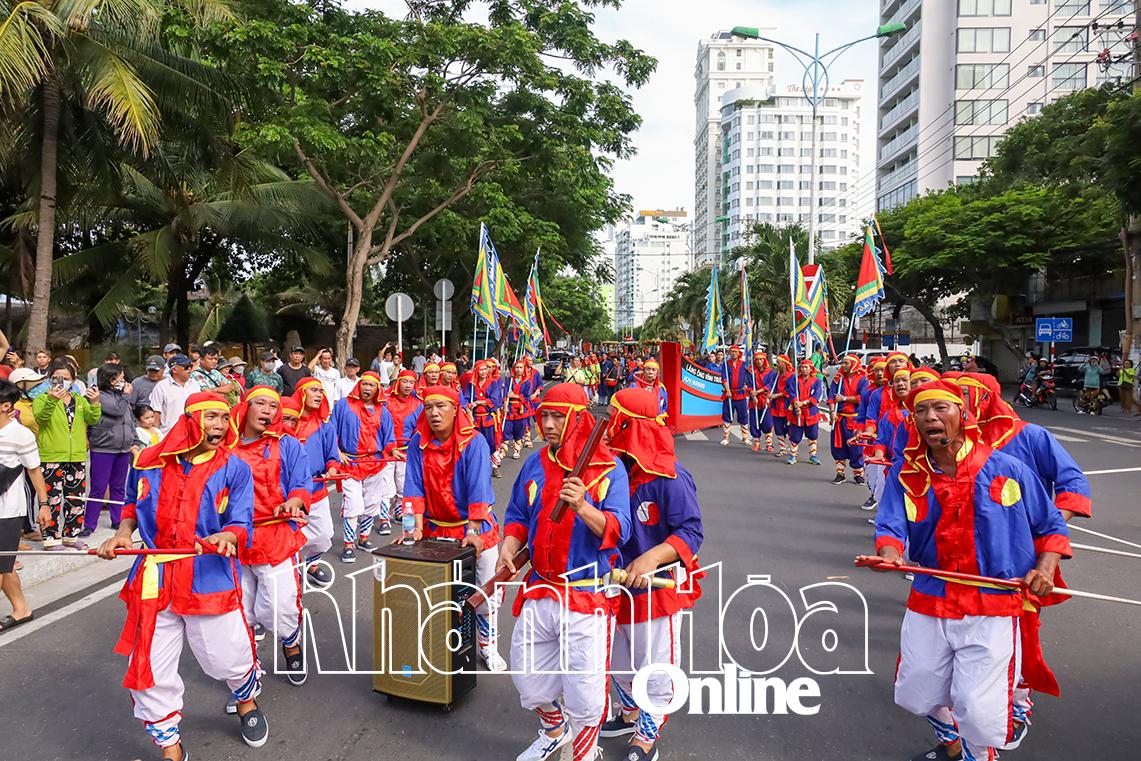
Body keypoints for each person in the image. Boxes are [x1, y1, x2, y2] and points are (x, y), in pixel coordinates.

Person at [859, 379, 1071, 761]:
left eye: (941, 408)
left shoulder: (1007, 468)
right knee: (915, 692)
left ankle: (978, 754)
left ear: (963, 415)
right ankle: (953, 744)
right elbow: (890, 526)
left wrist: (1044, 568)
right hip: (931, 598)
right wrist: (890, 554)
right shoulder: (907, 475)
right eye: (921, 411)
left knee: (978, 707)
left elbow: (1050, 526)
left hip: (993, 605)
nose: (930, 417)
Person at [97, 391, 268, 758]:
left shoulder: (234, 467)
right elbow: (131, 504)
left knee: (227, 657)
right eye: (211, 417)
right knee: (149, 669)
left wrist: (229, 534)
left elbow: (242, 521)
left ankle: (246, 700)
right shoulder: (146, 462)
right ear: (190, 420)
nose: (220, 426)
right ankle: (170, 747)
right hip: (154, 580)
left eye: (224, 418)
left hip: (208, 576)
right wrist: (123, 534)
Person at [499, 383, 631, 761]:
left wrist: (584, 507)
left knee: (585, 692)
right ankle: (555, 731)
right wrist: (510, 542)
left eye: (558, 416)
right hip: (540, 586)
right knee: (528, 678)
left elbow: (621, 529)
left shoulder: (609, 469)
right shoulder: (535, 462)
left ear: (578, 420)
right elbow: (518, 516)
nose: (549, 424)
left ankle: (585, 754)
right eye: (544, 416)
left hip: (586, 595)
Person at [600, 388, 703, 761]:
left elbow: (691, 531)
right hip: (615, 588)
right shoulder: (612, 471)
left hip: (656, 592)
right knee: (618, 659)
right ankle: (628, 713)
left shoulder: (671, 477)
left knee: (655, 666)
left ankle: (647, 733)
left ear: (632, 427)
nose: (609, 426)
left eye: (616, 419)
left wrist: (649, 559)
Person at [401, 384, 505, 670]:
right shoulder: (417, 442)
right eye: (429, 407)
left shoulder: (474, 442)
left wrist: (472, 532)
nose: (434, 413)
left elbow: (479, 491)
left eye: (441, 407)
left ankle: (487, 645)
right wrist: (414, 529)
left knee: (485, 594)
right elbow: (413, 489)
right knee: (439, 595)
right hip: (436, 530)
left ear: (456, 408)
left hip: (475, 529)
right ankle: (442, 646)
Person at [230, 387, 311, 686]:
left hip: (276, 537)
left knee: (279, 606)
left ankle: (291, 643)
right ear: (245, 407)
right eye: (260, 403)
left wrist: (295, 501)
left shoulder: (288, 445)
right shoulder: (228, 446)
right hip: (235, 542)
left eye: (273, 406)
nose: (267, 410)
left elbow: (302, 482)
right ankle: (247, 676)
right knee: (241, 611)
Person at [34, 360, 102, 550]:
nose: (61, 382)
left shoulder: (79, 399)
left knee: (76, 499)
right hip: (51, 456)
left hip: (77, 456)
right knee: (52, 500)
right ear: (50, 379)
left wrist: (95, 403)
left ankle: (71, 536)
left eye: (66, 378)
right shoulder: (42, 398)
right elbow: (41, 418)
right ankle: (50, 539)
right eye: (57, 378)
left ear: (73, 380)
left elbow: (92, 419)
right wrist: (52, 399)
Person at [0, 379, 50, 633]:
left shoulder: (21, 435)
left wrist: (44, 505)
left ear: (6, 406)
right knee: (4, 566)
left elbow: (34, 471)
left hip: (8, 512)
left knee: (1, 564)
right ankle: (22, 609)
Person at [331, 370, 395, 562]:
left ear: (378, 389)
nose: (367, 388)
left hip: (374, 462)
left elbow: (389, 436)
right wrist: (337, 451)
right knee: (353, 504)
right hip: (350, 463)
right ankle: (348, 545)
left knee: (372, 503)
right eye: (365, 384)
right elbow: (331, 431)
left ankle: (363, 538)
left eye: (372, 385)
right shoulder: (343, 405)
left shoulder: (383, 410)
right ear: (359, 385)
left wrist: (392, 450)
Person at [291, 378, 340, 587]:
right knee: (291, 535)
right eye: (314, 390)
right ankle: (294, 571)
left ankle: (309, 561)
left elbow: (332, 456)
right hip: (290, 494)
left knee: (324, 534)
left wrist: (332, 469)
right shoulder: (288, 422)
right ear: (301, 393)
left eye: (321, 391)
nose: (319, 394)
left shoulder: (325, 426)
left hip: (317, 488)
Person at [84, 364, 135, 535]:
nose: (124, 381)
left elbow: (129, 419)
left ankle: (117, 519)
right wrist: (127, 396)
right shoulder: (100, 396)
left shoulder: (122, 397)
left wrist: (133, 439)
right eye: (120, 378)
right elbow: (117, 411)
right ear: (112, 380)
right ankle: (90, 523)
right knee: (98, 487)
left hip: (123, 448)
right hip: (104, 447)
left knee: (119, 486)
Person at [382, 369, 421, 518]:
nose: (408, 385)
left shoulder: (418, 405)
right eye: (405, 381)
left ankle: (398, 510)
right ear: (398, 382)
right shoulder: (386, 401)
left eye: (411, 382)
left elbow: (419, 429)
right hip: (386, 450)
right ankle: (384, 517)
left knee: (402, 482)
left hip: (406, 450)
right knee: (386, 485)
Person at [828, 353, 869, 484]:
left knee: (856, 448)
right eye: (843, 363)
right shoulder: (837, 379)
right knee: (838, 445)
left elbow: (862, 398)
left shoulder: (863, 380)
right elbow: (831, 398)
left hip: (855, 419)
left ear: (854, 365)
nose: (843, 365)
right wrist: (832, 412)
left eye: (846, 363)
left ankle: (858, 474)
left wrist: (845, 398)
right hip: (840, 418)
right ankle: (840, 473)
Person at [462, 360, 505, 478]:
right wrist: (468, 407)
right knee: (476, 444)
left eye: (485, 369)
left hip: (488, 419)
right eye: (481, 369)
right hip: (474, 419)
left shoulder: (493, 383)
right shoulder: (471, 385)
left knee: (492, 443)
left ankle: (495, 467)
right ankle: (478, 468)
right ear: (476, 370)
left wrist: (479, 402)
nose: (484, 372)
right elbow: (465, 399)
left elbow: (496, 400)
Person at [784, 358, 823, 466]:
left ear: (811, 369)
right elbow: (791, 392)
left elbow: (816, 396)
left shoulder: (816, 381)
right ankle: (793, 455)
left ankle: (813, 456)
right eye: (802, 367)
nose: (804, 369)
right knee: (795, 435)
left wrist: (804, 403)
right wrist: (795, 403)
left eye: (806, 367)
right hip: (797, 411)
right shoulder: (794, 379)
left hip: (811, 412)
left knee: (813, 435)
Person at [149, 356, 201, 436]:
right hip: (169, 435)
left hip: (192, 434)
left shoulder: (195, 385)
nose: (190, 369)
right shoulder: (161, 387)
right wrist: (157, 437)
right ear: (174, 369)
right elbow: (156, 413)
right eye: (186, 367)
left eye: (191, 366)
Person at [718, 345, 754, 447]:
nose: (734, 353)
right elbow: (724, 378)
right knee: (727, 415)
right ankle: (726, 438)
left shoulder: (744, 364)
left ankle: (745, 437)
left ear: (739, 353)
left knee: (743, 416)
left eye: (736, 352)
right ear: (729, 353)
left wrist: (747, 385)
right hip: (729, 394)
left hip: (741, 394)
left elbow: (749, 376)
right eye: (732, 352)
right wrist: (728, 390)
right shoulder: (726, 364)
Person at [762, 355, 794, 458]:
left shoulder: (791, 376)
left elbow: (790, 390)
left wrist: (777, 395)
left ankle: (793, 448)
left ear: (784, 363)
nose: (777, 364)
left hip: (787, 405)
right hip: (776, 405)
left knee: (790, 428)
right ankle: (782, 448)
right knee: (778, 428)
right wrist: (769, 395)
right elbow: (771, 386)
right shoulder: (775, 376)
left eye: (779, 362)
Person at [502, 360, 535, 460]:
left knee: (519, 429)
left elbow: (527, 397)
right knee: (506, 429)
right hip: (510, 408)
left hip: (521, 409)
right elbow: (505, 395)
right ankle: (503, 450)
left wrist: (515, 396)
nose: (519, 370)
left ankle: (517, 448)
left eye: (521, 367)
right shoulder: (509, 380)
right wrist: (505, 405)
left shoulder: (527, 382)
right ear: (514, 369)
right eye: (517, 367)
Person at [747, 351, 774, 453]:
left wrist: (758, 392)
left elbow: (770, 385)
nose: (759, 361)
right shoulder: (751, 372)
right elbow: (749, 386)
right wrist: (753, 395)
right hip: (754, 400)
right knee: (754, 422)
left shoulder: (771, 372)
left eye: (761, 359)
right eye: (757, 359)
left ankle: (769, 444)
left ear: (764, 360)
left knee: (767, 422)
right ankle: (756, 443)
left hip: (765, 398)